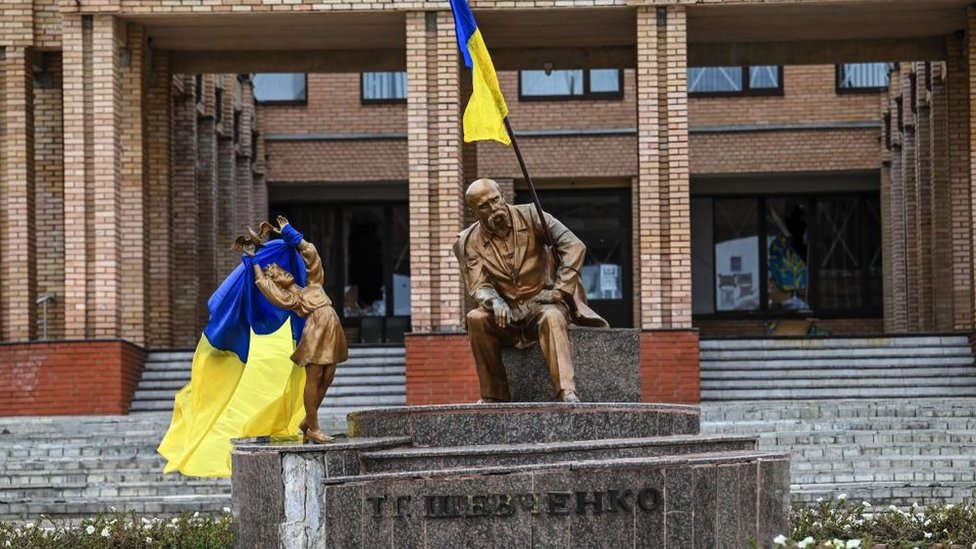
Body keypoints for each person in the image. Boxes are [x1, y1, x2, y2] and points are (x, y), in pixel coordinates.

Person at [454, 178, 608, 403]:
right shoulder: (467, 241)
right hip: (505, 314)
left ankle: (566, 391)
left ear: (503, 196)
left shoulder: (533, 215)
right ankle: (493, 395)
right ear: (473, 211)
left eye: (495, 200)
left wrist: (560, 290)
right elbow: (478, 285)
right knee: (475, 318)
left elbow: (574, 246)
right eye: (484, 206)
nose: (494, 208)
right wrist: (494, 301)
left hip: (541, 305)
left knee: (553, 316)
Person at [249, 216, 348, 444]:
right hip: (315, 330)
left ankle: (306, 421)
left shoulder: (313, 284)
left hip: (332, 327)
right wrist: (254, 263)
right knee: (313, 377)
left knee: (329, 376)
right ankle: (313, 427)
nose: (282, 272)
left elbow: (312, 256)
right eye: (276, 273)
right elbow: (265, 287)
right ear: (277, 282)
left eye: (282, 269)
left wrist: (290, 233)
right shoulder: (293, 298)